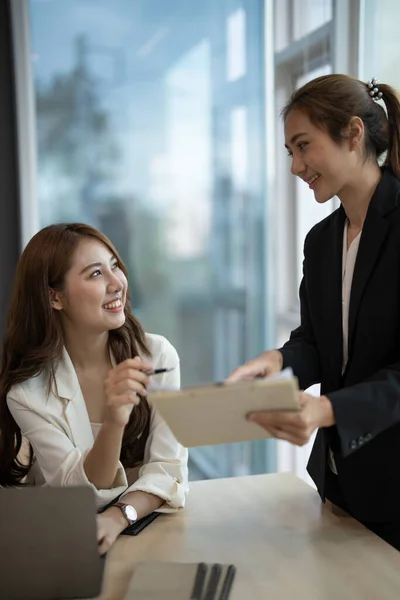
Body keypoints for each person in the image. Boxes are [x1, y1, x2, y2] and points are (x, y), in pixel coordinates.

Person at [227, 74, 400, 550]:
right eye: (290, 152)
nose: (296, 166)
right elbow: (317, 344)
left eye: (304, 146)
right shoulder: (321, 242)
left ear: (353, 134)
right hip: (339, 483)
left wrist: (327, 409)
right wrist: (278, 362)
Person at [0, 223, 189, 554]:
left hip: (148, 530)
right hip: (65, 542)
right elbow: (79, 492)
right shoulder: (27, 392)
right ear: (54, 297)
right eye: (95, 274)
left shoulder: (157, 356)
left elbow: (169, 469)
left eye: (115, 266)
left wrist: (119, 516)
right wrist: (114, 420)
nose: (117, 284)